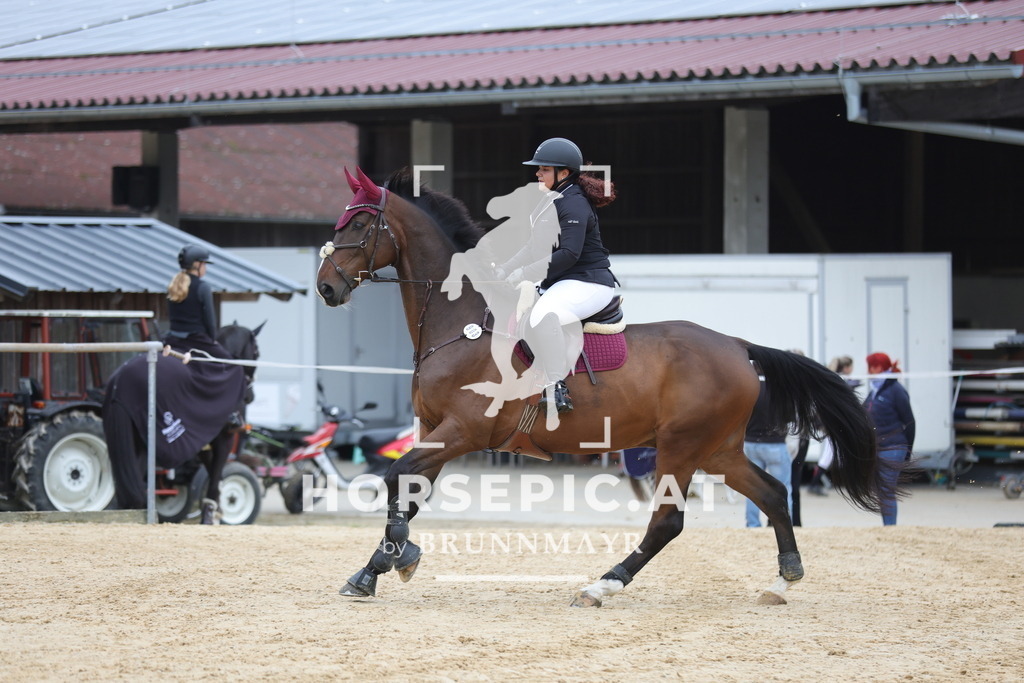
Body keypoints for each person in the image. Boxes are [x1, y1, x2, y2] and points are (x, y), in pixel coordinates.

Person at [508, 137, 618, 414]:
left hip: (589, 282)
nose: (537, 173)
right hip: (564, 282)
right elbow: (533, 248)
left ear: (564, 173)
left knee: (544, 315)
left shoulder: (574, 204)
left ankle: (556, 386)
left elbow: (569, 253)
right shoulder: (550, 202)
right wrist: (504, 268)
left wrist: (525, 272)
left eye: (543, 169)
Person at [864, 351, 914, 526]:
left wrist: (907, 451)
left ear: (876, 368)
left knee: (886, 490)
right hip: (879, 448)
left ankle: (890, 527)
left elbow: (909, 422)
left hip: (893, 448)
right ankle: (888, 525)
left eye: (870, 367)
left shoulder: (896, 391)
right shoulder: (874, 392)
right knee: (881, 491)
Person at [165, 244, 230, 360]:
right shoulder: (203, 287)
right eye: (204, 264)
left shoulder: (173, 285)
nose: (205, 268)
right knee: (229, 362)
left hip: (173, 338)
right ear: (196, 264)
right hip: (196, 340)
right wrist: (212, 339)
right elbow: (210, 320)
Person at [808, 355, 860, 496]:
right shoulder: (840, 380)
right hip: (835, 423)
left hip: (834, 422)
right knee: (828, 456)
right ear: (847, 367)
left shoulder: (834, 378)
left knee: (832, 455)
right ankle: (814, 484)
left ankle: (817, 483)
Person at [743, 382, 792, 528]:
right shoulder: (781, 390)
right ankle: (783, 525)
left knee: (752, 487)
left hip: (751, 442)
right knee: (783, 487)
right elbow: (790, 416)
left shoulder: (750, 388)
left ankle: (752, 524)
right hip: (775, 443)